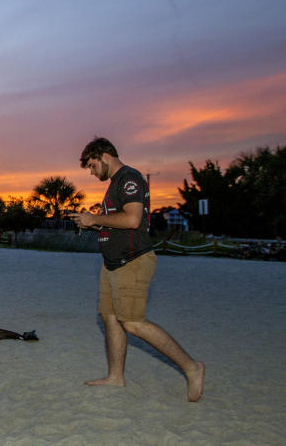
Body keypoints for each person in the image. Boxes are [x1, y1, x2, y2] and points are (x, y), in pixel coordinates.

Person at [72, 137, 205, 402]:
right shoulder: (114, 185)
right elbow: (118, 222)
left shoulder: (128, 178)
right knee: (110, 318)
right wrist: (94, 224)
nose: (91, 172)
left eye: (91, 165)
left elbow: (133, 220)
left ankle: (192, 367)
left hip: (132, 261)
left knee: (132, 322)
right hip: (112, 264)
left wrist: (95, 217)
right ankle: (115, 377)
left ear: (105, 156)